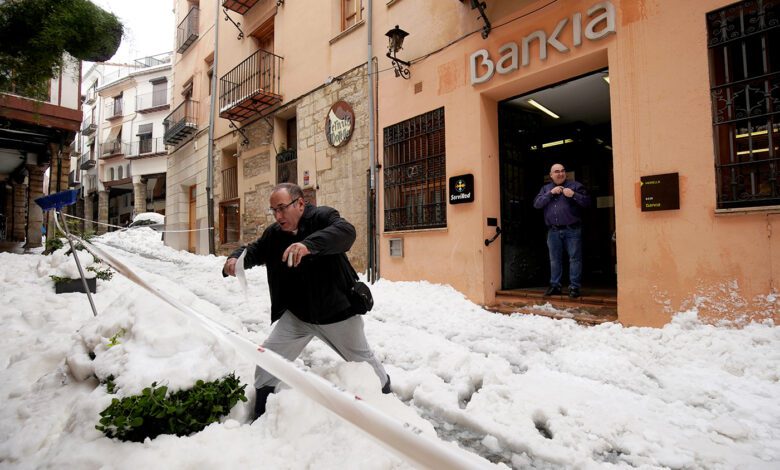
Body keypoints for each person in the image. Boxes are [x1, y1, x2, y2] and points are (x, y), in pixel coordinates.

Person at [222, 183, 390, 419]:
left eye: (282, 208)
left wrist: (308, 245)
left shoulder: (323, 217)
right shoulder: (274, 233)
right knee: (267, 363)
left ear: (300, 203)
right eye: (273, 210)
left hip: (336, 314)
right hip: (297, 317)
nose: (278, 216)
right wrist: (235, 258)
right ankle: (260, 417)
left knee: (366, 365)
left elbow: (346, 232)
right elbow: (255, 250)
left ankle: (389, 402)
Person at [533, 163, 591, 299]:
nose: (560, 174)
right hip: (553, 231)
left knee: (575, 259)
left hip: (573, 229)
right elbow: (537, 204)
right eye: (556, 171)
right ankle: (555, 286)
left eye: (562, 171)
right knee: (554, 260)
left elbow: (587, 202)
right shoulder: (546, 188)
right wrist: (550, 194)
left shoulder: (575, 186)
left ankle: (574, 287)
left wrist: (574, 195)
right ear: (551, 175)